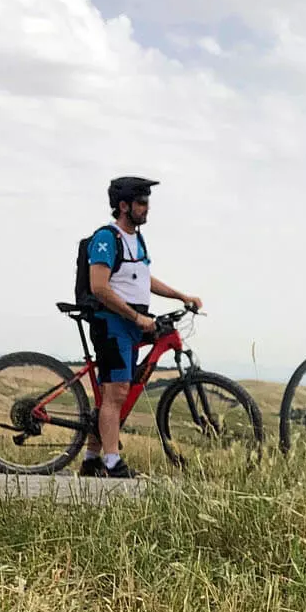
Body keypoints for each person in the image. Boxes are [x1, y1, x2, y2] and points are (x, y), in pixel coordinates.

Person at [80, 175, 205, 479]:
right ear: (124, 206)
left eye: (147, 202)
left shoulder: (135, 239)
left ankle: (92, 459)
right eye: (141, 202)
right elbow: (99, 287)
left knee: (115, 392)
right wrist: (135, 318)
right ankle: (113, 462)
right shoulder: (106, 238)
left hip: (131, 323)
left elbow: (142, 279)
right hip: (112, 322)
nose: (147, 208)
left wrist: (180, 295)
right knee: (116, 392)